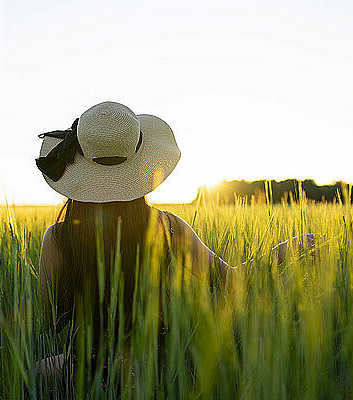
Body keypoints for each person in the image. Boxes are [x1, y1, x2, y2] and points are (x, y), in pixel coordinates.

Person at [35, 101, 318, 384]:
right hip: (159, 369)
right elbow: (229, 280)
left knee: (29, 374)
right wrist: (287, 249)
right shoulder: (167, 227)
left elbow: (45, 326)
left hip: (88, 370)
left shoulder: (57, 239)